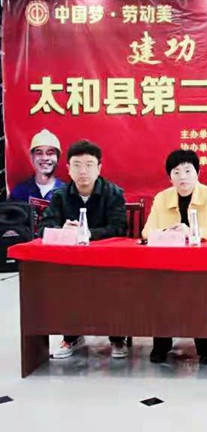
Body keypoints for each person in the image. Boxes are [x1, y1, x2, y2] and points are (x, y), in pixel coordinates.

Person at [39, 139, 128, 359]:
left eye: (89, 165)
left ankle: (117, 337)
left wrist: (88, 233)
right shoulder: (59, 195)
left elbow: (119, 228)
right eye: (77, 165)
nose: (83, 171)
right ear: (68, 169)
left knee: (116, 284)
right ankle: (71, 336)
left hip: (107, 261)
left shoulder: (113, 193)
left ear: (99, 168)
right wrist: (63, 230)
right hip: (72, 262)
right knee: (64, 283)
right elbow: (44, 228)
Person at [142, 149, 207, 365]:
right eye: (176, 172)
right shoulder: (162, 198)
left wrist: (192, 232)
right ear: (169, 177)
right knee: (160, 289)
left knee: (204, 292)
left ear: (198, 173)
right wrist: (168, 233)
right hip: (168, 263)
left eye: (188, 171)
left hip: (202, 264)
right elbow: (146, 232)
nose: (183, 177)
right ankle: (162, 344)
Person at [9, 129, 65, 202]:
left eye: (50, 153)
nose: (44, 158)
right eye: (39, 153)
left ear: (58, 157)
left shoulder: (67, 194)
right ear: (32, 157)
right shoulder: (19, 192)